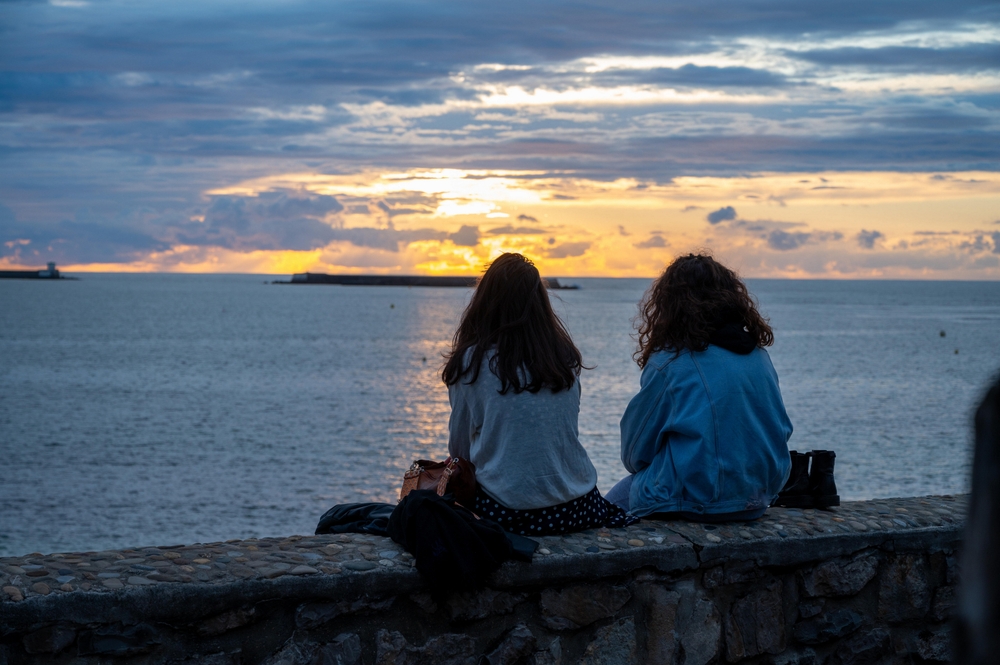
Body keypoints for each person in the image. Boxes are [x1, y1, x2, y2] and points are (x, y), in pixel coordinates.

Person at [444, 253, 635, 535]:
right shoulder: (562, 357)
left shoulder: (471, 363)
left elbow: (459, 453)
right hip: (580, 505)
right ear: (540, 304)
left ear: (484, 302)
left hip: (510, 512)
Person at [605, 254, 792, 522]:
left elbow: (635, 454)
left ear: (669, 305)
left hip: (695, 500)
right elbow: (780, 429)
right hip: (756, 499)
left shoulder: (670, 362)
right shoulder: (759, 357)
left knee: (606, 514)